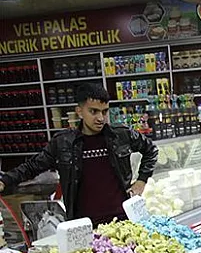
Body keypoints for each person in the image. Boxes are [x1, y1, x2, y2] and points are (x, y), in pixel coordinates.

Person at [0, 84, 158, 226]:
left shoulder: (122, 135)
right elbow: (33, 166)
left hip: (123, 220)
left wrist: (142, 180)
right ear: (79, 111)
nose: (100, 118)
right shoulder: (63, 142)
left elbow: (151, 150)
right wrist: (5, 181)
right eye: (93, 111)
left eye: (104, 111)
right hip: (83, 225)